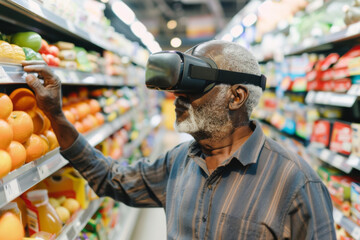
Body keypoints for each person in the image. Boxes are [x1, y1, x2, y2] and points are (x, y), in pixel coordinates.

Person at [22, 40, 336, 239]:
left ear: (236, 97)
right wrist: (57, 116)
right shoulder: (180, 161)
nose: (177, 98)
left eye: (194, 88)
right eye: (177, 88)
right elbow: (110, 178)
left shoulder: (296, 184)